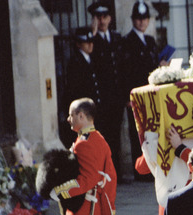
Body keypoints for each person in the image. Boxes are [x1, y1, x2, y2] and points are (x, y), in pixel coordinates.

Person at [120, 1, 160, 181]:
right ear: (133, 20)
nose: (142, 22)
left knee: (152, 130)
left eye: (144, 19)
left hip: (151, 95)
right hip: (137, 96)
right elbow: (125, 72)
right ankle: (140, 170)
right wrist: (128, 96)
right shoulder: (127, 41)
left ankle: (151, 166)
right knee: (138, 133)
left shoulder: (150, 41)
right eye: (138, 19)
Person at [88, 1, 125, 179]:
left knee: (116, 135)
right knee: (103, 135)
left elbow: (123, 67)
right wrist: (92, 34)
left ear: (110, 18)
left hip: (116, 96)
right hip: (101, 97)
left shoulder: (116, 38)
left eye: (105, 17)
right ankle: (105, 172)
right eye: (98, 17)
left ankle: (116, 171)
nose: (102, 21)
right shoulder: (91, 40)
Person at [65, 28, 101, 117]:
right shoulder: (75, 62)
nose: (90, 45)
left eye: (91, 42)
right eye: (87, 42)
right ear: (78, 44)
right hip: (84, 109)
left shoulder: (92, 58)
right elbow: (76, 89)